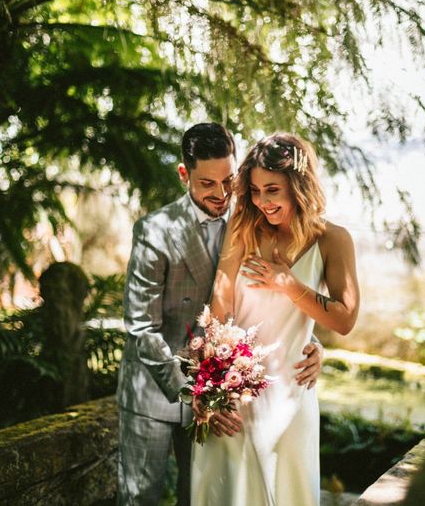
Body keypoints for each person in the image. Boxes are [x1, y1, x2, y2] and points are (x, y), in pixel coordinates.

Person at [115, 123, 324, 506]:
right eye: (207, 184)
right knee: (138, 500)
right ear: (184, 175)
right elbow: (142, 328)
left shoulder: (254, 220)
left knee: (197, 498)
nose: (222, 193)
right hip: (156, 394)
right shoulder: (154, 231)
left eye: (229, 181)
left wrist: (311, 343)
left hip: (224, 397)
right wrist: (193, 390)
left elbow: (273, 299)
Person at [191, 133, 361, 506]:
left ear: (299, 187)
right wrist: (207, 389)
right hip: (235, 390)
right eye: (254, 190)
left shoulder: (334, 240)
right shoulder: (243, 228)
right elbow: (220, 307)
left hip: (292, 392)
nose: (262, 202)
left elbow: (345, 318)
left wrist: (287, 283)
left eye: (273, 190)